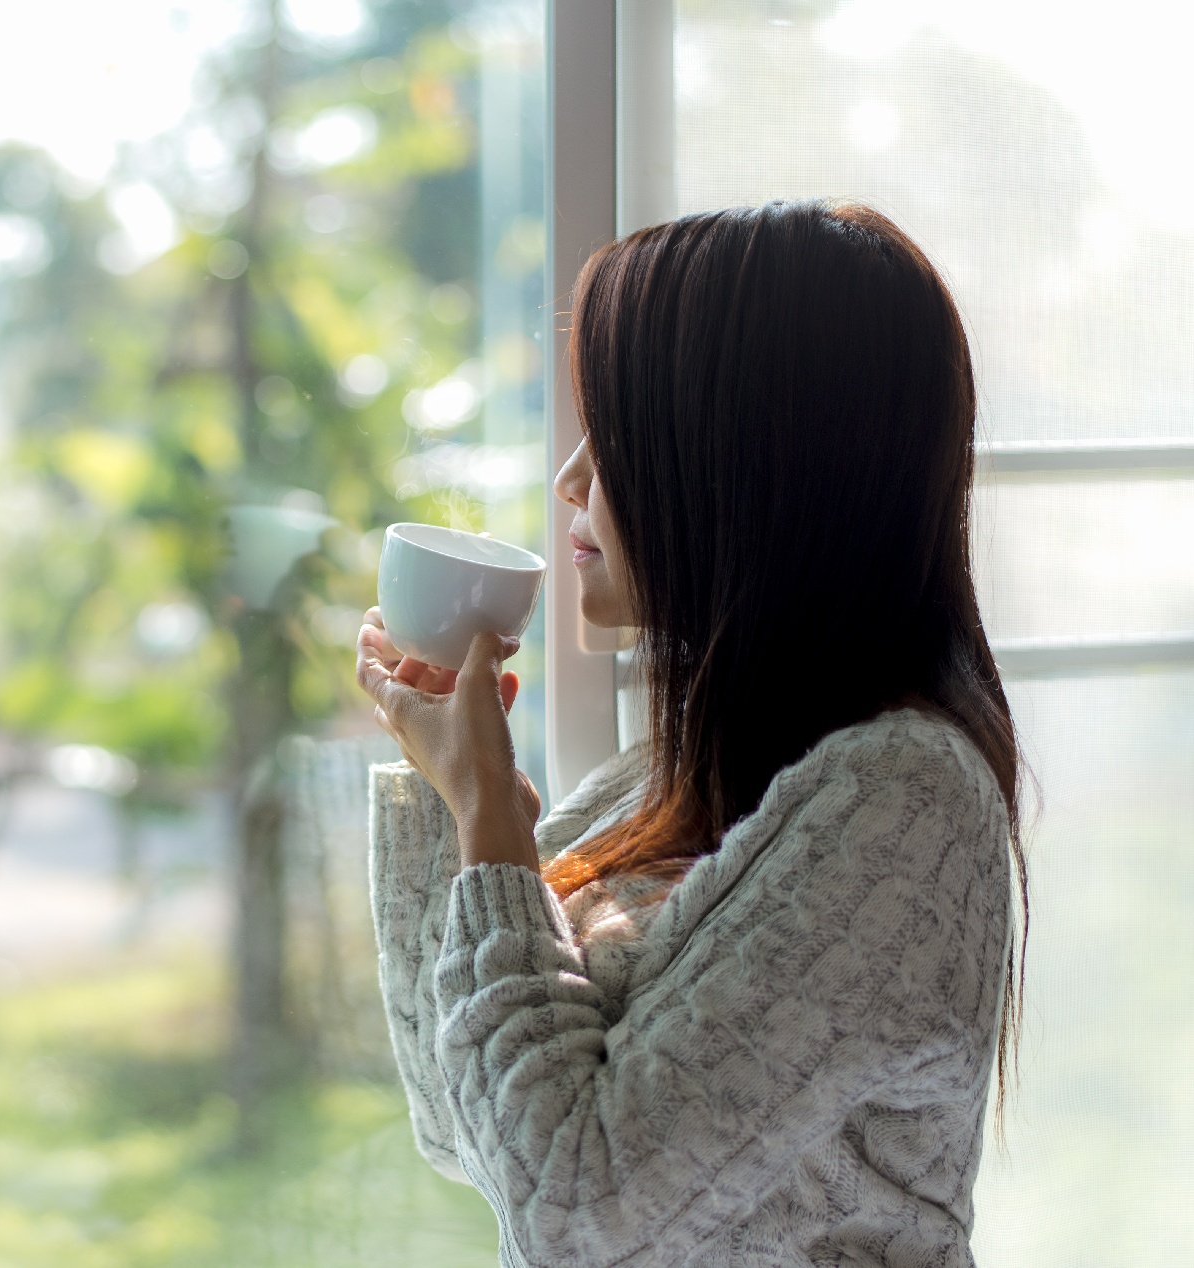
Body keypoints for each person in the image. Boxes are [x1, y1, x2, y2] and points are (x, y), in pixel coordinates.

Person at [356, 200, 1028, 1267]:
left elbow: (577, 1212)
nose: (570, 478)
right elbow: (464, 1127)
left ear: (748, 454)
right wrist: (447, 794)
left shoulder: (903, 797)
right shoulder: (668, 783)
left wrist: (490, 820)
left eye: (616, 430)